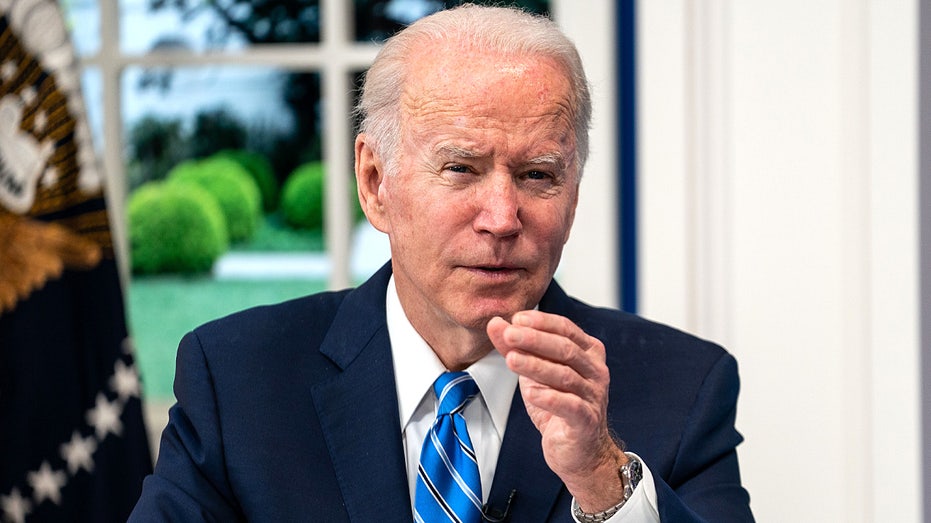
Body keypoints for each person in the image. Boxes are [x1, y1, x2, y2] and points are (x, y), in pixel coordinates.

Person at [129, 4, 753, 522]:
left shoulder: (684, 388)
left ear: (574, 194)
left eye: (538, 175)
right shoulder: (237, 378)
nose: (503, 218)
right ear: (375, 183)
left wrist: (601, 476)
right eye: (461, 169)